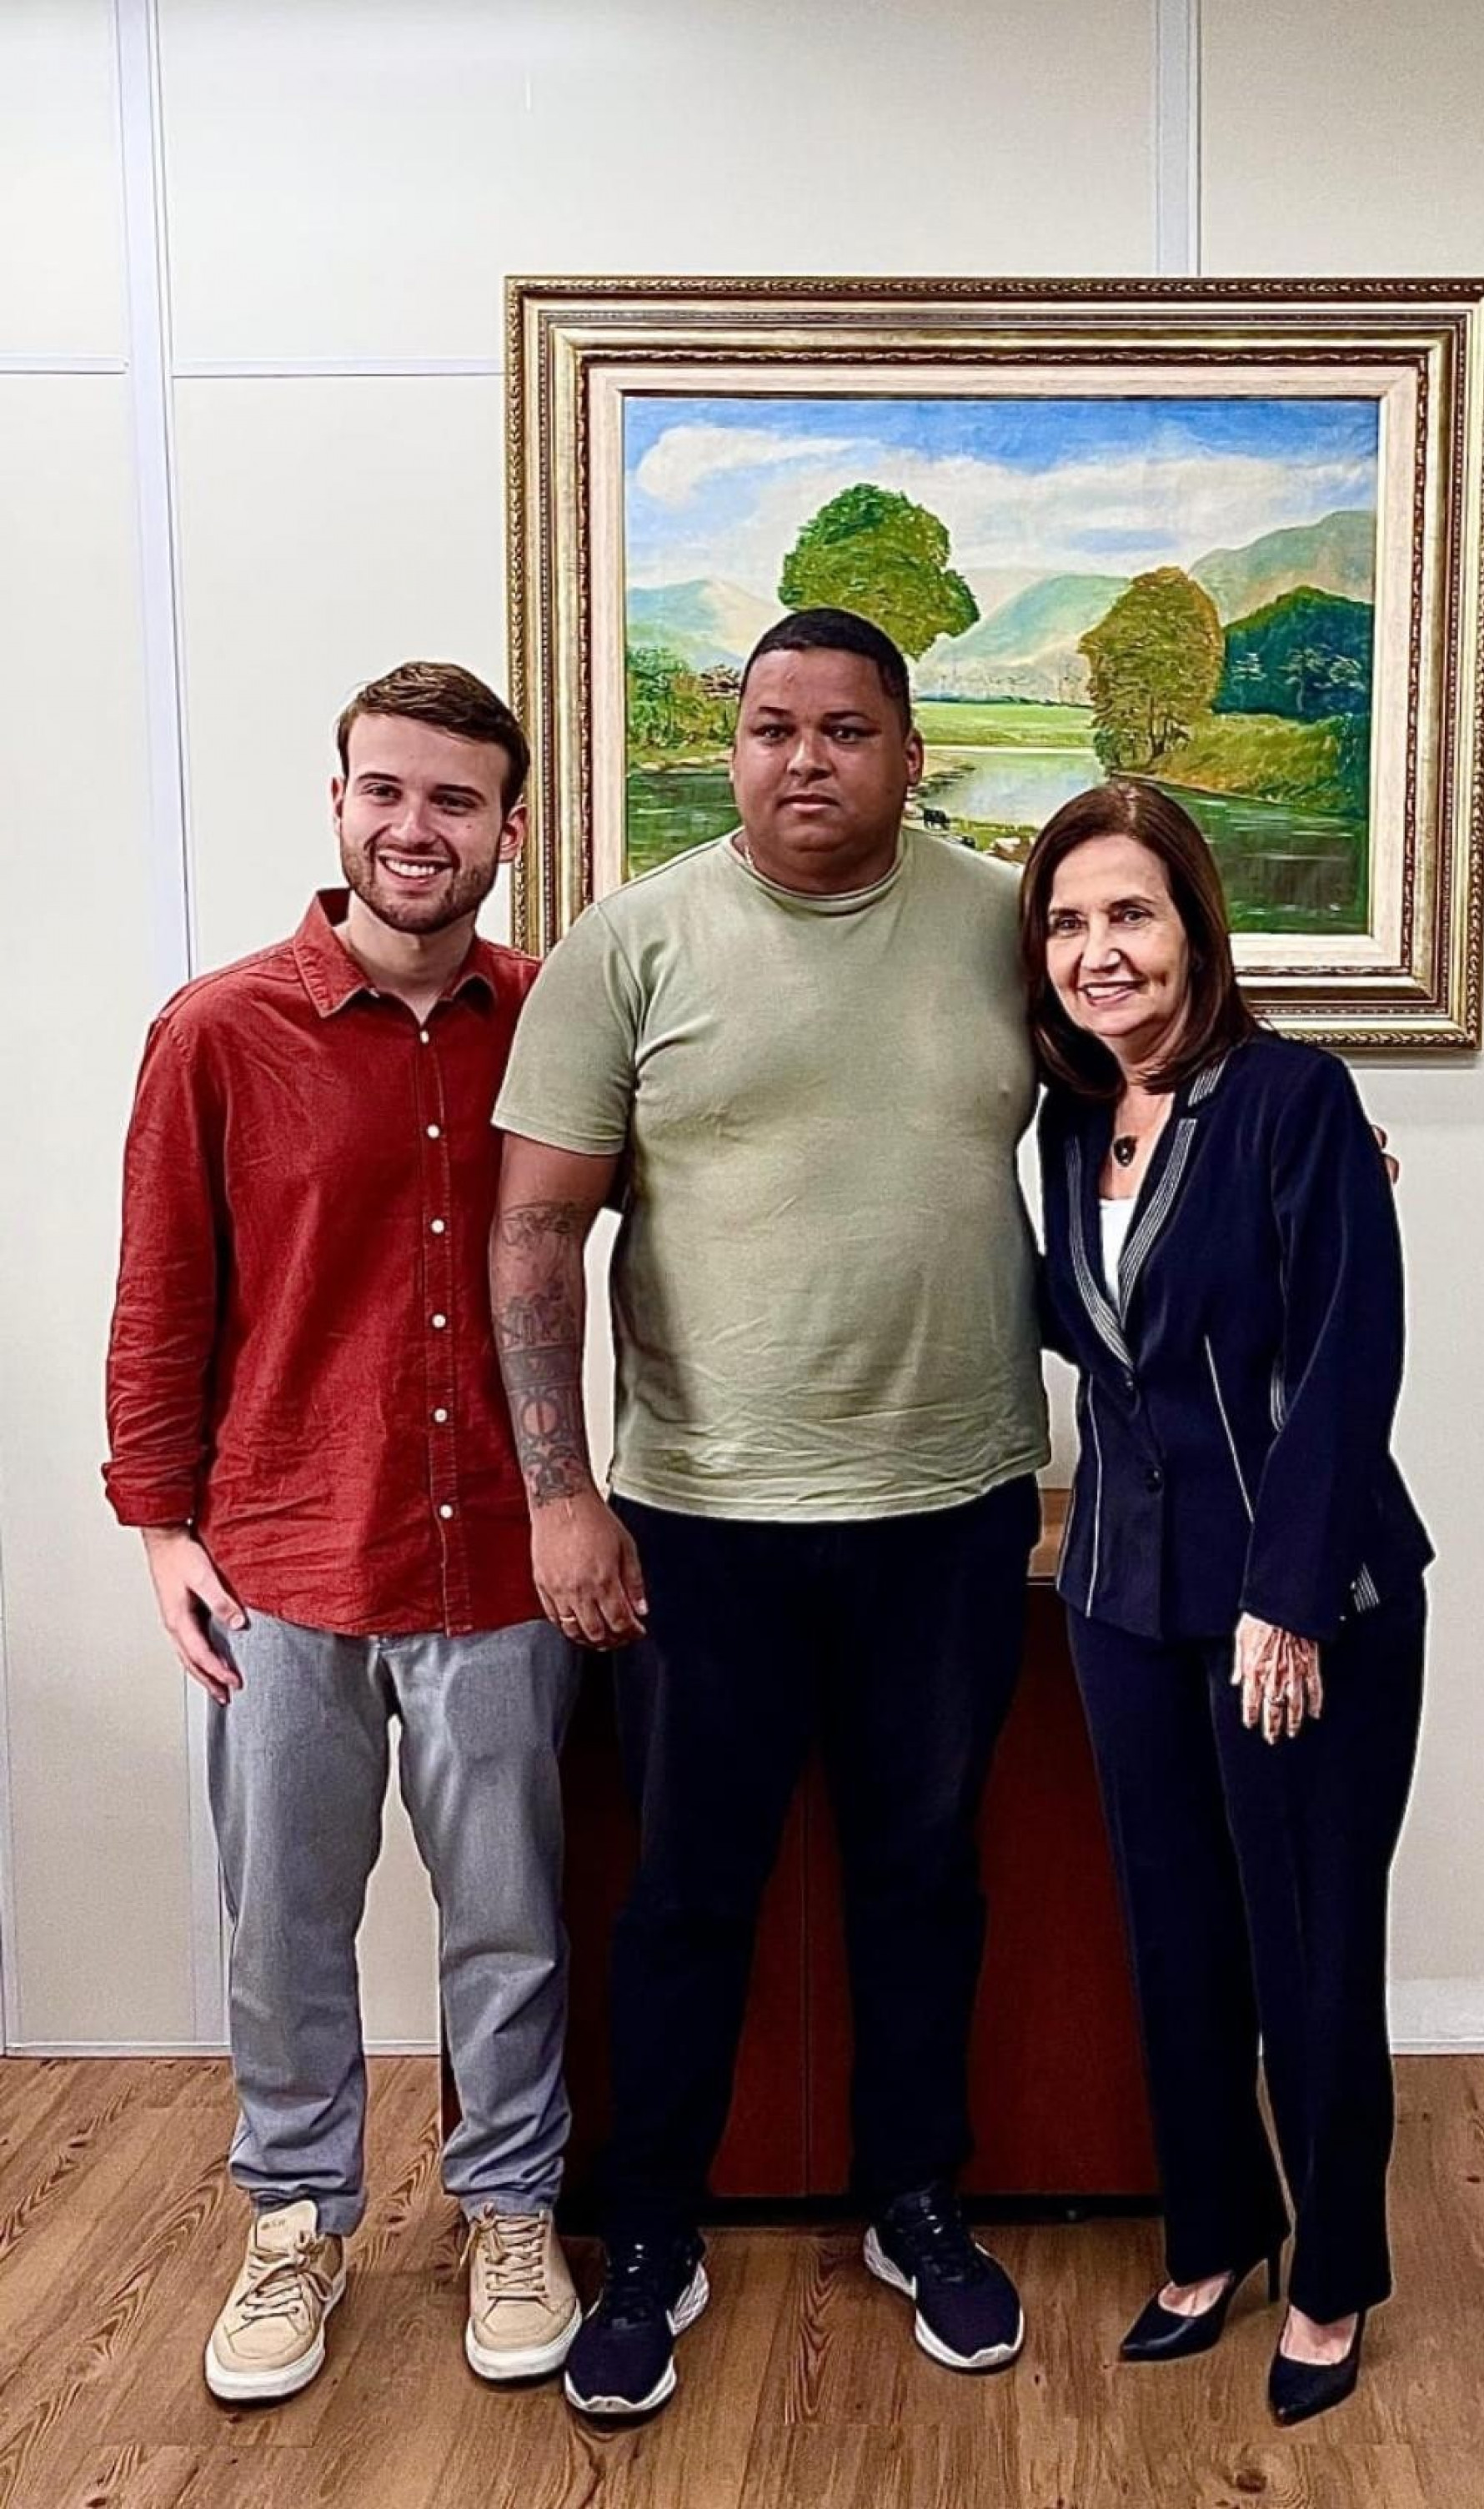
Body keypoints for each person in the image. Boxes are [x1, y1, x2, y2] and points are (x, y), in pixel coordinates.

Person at [490, 608, 1047, 2418]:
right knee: (687, 1893)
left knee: (924, 1876)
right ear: (733, 747)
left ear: (912, 753)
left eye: (847, 729)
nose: (805, 758)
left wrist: (1312, 1148)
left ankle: (917, 2198)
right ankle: (652, 2230)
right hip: (701, 1519)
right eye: (771, 727)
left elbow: (1165, 1061)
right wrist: (561, 1497)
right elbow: (530, 1232)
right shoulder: (631, 940)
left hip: (953, 1504)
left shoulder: (1002, 920)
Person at [104, 663, 582, 2403]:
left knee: (510, 1917)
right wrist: (159, 1525)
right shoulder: (218, 1030)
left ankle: (510, 2207)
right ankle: (297, 2216)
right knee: (284, 1921)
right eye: (387, 790)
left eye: (455, 800)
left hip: (497, 1564)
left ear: (509, 828)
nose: (415, 828)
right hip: (282, 1563)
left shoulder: (556, 1020)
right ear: (339, 804)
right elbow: (162, 1292)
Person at [1023, 778, 1433, 2426]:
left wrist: (1290, 1599)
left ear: (1195, 924)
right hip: (1122, 1595)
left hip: (1304, 1597)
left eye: (1130, 912)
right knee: (1175, 1933)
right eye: (1067, 921)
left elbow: (1349, 1351)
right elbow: (1096, 1341)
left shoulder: (1295, 1098)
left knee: (1312, 1949)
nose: (1098, 950)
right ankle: (1215, 2230)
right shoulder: (1066, 1123)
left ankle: (1332, 2270)